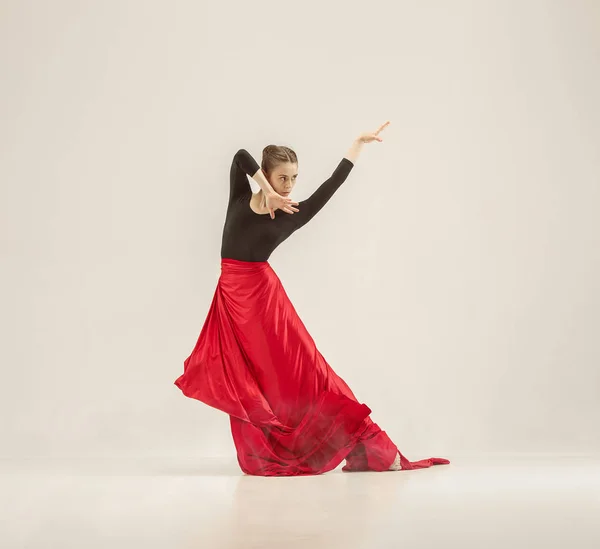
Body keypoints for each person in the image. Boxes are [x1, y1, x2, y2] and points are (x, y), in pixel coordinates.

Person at [174, 121, 450, 476]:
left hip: (262, 303)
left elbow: (331, 186)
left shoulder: (294, 213)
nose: (289, 186)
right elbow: (240, 157)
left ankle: (371, 443)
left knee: (298, 371)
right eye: (282, 178)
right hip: (231, 298)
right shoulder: (241, 198)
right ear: (267, 175)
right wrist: (265, 191)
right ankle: (272, 446)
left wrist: (356, 146)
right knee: (249, 377)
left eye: (294, 178)